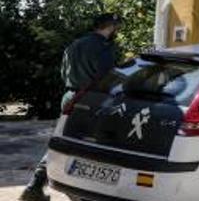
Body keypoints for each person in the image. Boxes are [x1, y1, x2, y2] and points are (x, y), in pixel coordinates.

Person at [19, 13, 122, 201]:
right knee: (91, 145)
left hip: (69, 97)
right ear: (112, 27)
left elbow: (63, 72)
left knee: (62, 141)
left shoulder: (74, 45)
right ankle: (80, 193)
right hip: (92, 99)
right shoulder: (104, 48)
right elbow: (107, 78)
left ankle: (34, 186)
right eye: (116, 27)